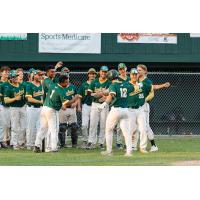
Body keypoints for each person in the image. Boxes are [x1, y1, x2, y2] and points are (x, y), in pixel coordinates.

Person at [34, 75, 76, 153]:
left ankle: (37, 145)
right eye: (66, 82)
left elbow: (60, 103)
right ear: (62, 82)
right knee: (54, 130)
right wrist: (75, 99)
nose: (67, 83)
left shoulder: (53, 85)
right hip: (52, 110)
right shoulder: (61, 90)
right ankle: (54, 148)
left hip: (44, 108)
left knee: (43, 129)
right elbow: (66, 104)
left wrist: (61, 105)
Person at [98, 69, 135, 156]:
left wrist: (104, 103)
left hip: (116, 110)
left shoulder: (113, 85)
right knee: (126, 132)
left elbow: (112, 95)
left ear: (110, 77)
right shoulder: (126, 84)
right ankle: (129, 152)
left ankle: (109, 151)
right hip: (126, 111)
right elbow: (132, 88)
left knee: (108, 130)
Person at [86, 66, 111, 150]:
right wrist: (95, 94)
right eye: (102, 71)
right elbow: (88, 92)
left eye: (105, 72)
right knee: (93, 123)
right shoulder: (95, 81)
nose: (104, 73)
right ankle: (91, 141)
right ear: (99, 72)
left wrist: (104, 96)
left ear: (107, 73)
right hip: (95, 104)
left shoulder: (109, 82)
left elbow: (110, 94)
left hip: (104, 104)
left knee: (103, 124)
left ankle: (101, 142)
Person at [127, 68, 149, 153]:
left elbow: (151, 88)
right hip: (130, 110)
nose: (134, 76)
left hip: (140, 109)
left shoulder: (142, 85)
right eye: (132, 74)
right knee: (131, 129)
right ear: (130, 75)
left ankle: (143, 148)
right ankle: (130, 146)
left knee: (143, 129)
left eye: (135, 74)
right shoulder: (126, 85)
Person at [4, 70, 26, 150]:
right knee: (15, 126)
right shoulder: (8, 88)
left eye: (16, 76)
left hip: (23, 107)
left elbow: (25, 96)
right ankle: (14, 144)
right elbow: (6, 100)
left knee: (23, 126)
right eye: (13, 77)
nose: (15, 78)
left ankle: (21, 143)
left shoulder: (22, 85)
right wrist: (14, 98)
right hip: (14, 108)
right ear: (11, 78)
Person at [58, 72, 80, 148]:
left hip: (72, 108)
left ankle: (74, 144)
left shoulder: (73, 87)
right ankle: (62, 144)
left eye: (67, 75)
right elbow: (55, 98)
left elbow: (77, 96)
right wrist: (61, 105)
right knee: (62, 127)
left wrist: (76, 103)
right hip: (63, 108)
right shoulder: (58, 87)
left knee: (74, 126)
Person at [77, 68, 97, 148]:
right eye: (90, 74)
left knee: (93, 125)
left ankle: (92, 142)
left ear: (95, 75)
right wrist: (79, 106)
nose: (92, 75)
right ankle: (85, 140)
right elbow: (79, 97)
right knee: (84, 125)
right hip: (86, 106)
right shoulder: (83, 85)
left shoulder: (97, 84)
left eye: (93, 74)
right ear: (88, 75)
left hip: (95, 105)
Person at [25, 70, 44, 150]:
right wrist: (40, 101)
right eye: (38, 75)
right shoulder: (29, 85)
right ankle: (29, 144)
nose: (40, 76)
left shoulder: (41, 84)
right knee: (30, 127)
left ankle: (36, 144)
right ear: (34, 75)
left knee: (39, 127)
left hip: (40, 108)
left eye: (41, 75)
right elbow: (29, 99)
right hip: (32, 108)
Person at [115, 63, 131, 149]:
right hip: (119, 104)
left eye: (123, 68)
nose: (122, 70)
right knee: (119, 126)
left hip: (128, 104)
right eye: (120, 69)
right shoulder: (117, 79)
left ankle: (126, 143)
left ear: (126, 68)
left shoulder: (129, 79)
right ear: (118, 70)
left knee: (128, 125)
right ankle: (118, 142)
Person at [0, 66, 11, 148]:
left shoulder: (9, 83)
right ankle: (2, 141)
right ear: (1, 73)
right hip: (1, 105)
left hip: (8, 106)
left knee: (6, 125)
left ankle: (3, 141)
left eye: (8, 72)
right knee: (2, 124)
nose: (7, 73)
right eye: (5, 72)